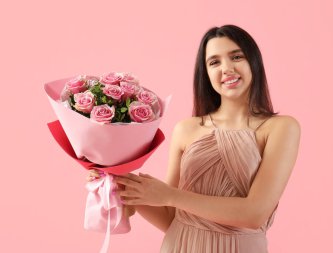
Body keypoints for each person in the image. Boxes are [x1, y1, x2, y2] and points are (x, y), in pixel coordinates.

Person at [88, 24, 301, 253]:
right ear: (206, 73)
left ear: (254, 62)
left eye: (236, 56)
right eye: (214, 62)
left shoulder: (281, 128)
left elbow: (255, 214)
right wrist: (124, 184)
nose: (226, 69)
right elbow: (170, 217)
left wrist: (170, 196)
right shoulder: (186, 129)